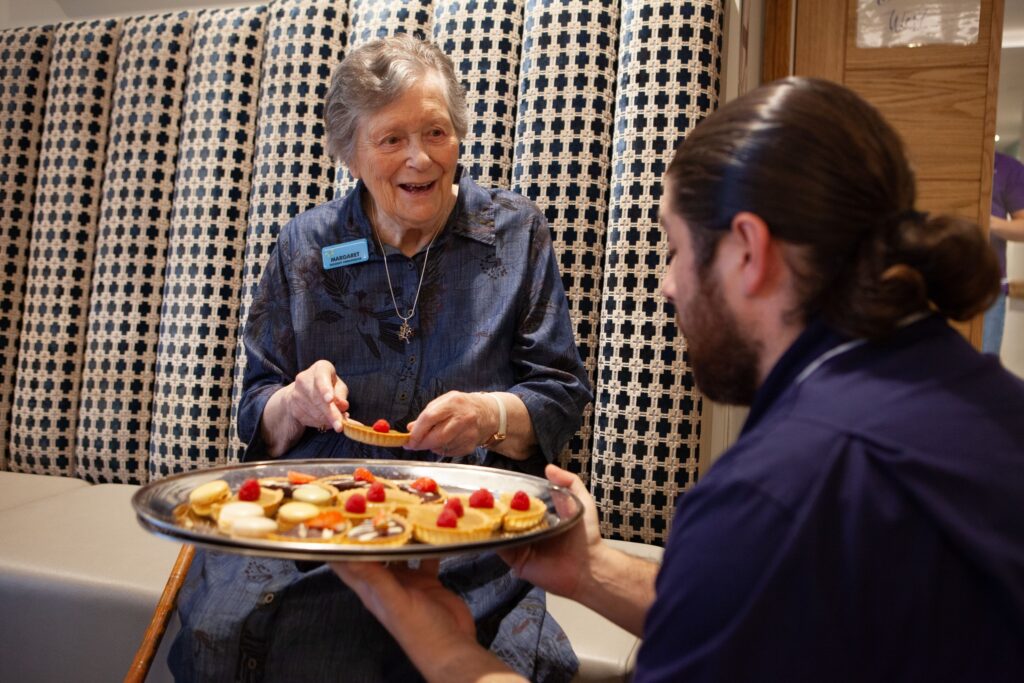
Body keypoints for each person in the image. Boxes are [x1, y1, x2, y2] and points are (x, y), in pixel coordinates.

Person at [332, 77, 1024, 681]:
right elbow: (779, 607)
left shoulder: (780, 491)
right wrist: (592, 571)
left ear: (749, 251)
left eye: (675, 247)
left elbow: (767, 557)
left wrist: (440, 642)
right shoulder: (987, 398)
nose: (666, 285)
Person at [169, 34, 591, 682]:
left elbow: (560, 392)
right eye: (392, 139)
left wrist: (488, 414)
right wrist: (295, 400)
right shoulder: (306, 244)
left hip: (462, 530)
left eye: (437, 132)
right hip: (319, 527)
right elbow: (256, 406)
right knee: (233, 635)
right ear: (350, 153)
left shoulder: (513, 232)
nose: (420, 158)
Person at [983, 151, 1024, 355]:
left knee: (981, 374)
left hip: (988, 290)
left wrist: (986, 221)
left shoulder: (1008, 167)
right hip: (932, 284)